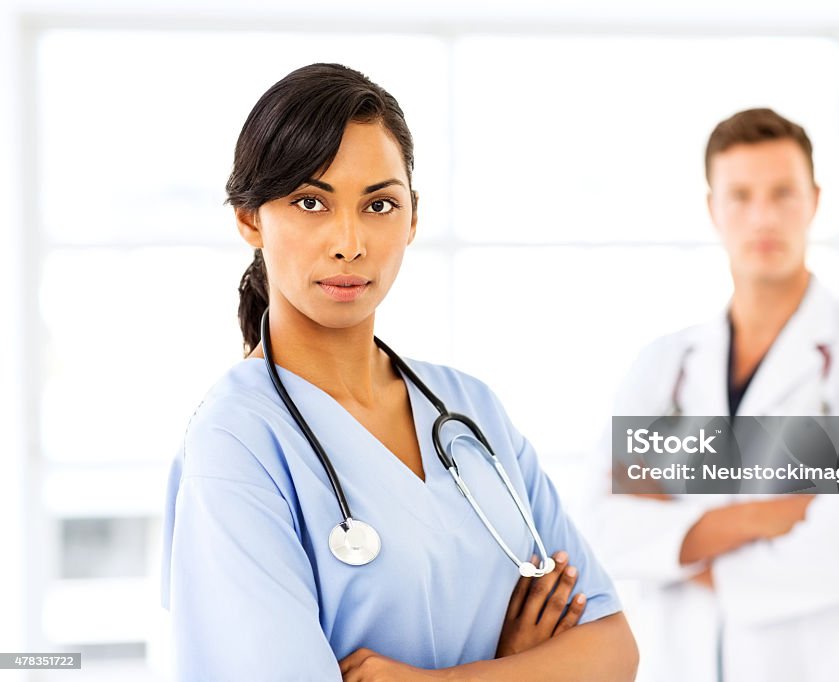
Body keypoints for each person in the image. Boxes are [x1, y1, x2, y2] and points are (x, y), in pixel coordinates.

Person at [160, 63, 638, 681]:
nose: (350, 242)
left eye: (379, 204)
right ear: (250, 218)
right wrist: (516, 667)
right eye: (311, 202)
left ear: (412, 217)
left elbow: (613, 652)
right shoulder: (237, 443)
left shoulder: (469, 410)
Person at [586, 108, 839, 682]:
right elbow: (604, 526)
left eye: (783, 193)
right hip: (681, 662)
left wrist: (678, 544)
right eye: (740, 195)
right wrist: (767, 517)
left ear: (814, 201)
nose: (763, 216)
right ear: (712, 209)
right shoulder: (666, 364)